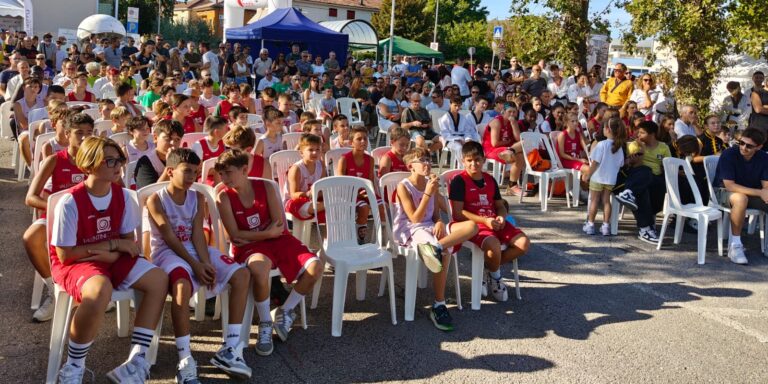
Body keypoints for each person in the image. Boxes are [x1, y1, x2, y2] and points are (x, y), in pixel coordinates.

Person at [51, 136, 168, 383]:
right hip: (77, 263)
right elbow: (66, 254)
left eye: (121, 160)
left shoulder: (124, 196)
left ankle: (136, 361)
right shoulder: (70, 201)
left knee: (158, 279)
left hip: (109, 257)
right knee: (99, 290)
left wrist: (112, 251)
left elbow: (129, 244)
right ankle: (73, 367)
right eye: (111, 160)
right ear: (90, 164)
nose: (118, 166)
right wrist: (111, 246)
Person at [146, 148, 251, 381]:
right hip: (167, 253)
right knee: (181, 288)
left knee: (241, 275)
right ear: (171, 171)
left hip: (194, 250)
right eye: (187, 171)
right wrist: (195, 264)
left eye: (195, 171)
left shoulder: (198, 197)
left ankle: (230, 347)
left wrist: (205, 263)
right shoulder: (156, 199)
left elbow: (196, 235)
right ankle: (184, 358)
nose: (192, 176)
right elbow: (169, 237)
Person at [215, 149, 324, 354]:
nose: (224, 178)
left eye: (228, 172)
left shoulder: (266, 186)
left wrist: (254, 234)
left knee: (316, 266)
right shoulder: (224, 197)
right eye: (221, 174)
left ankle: (285, 311)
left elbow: (279, 227)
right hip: (251, 247)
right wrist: (265, 234)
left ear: (244, 169)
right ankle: (265, 323)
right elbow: (234, 234)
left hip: (276, 240)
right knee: (259, 268)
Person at [393, 148, 478, 330]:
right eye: (421, 160)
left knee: (471, 226)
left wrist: (439, 222)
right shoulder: (403, 186)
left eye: (428, 159)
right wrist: (428, 193)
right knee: (444, 254)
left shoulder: (430, 183)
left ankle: (438, 246)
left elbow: (436, 215)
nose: (426, 163)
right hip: (412, 229)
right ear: (411, 166)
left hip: (430, 227)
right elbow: (415, 218)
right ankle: (439, 304)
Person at [22, 111, 90, 323]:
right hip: (55, 216)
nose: (85, 137)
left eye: (90, 132)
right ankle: (55, 291)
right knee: (31, 236)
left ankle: (92, 289)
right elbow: (31, 198)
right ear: (67, 134)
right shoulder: (54, 160)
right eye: (79, 132)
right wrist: (59, 208)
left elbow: (117, 190)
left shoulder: (96, 160)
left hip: (89, 220)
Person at [448, 141, 530, 302]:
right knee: (492, 245)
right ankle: (496, 276)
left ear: (484, 159)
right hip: (474, 224)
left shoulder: (490, 179)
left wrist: (501, 216)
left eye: (477, 159)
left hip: (494, 221)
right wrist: (484, 220)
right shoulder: (459, 181)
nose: (474, 164)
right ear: (463, 161)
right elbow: (458, 213)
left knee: (524, 243)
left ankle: (488, 267)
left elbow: (500, 205)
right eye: (469, 160)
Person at [713, 128, 768, 264]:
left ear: (759, 147)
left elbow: (766, 184)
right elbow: (730, 186)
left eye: (749, 146)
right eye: (741, 143)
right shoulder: (729, 154)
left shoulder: (764, 157)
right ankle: (735, 246)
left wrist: (765, 192)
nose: (743, 147)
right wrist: (761, 192)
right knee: (740, 198)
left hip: (751, 193)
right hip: (723, 192)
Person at [615, 120, 671, 243]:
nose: (638, 135)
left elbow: (668, 166)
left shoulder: (663, 147)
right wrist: (640, 152)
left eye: (642, 133)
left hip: (656, 180)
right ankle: (645, 229)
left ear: (652, 134)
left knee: (653, 181)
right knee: (645, 173)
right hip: (637, 176)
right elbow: (632, 167)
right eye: (638, 132)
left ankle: (630, 194)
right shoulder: (634, 145)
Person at [336, 126, 383, 243]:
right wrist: (359, 193)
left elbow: (371, 181)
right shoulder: (344, 159)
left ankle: (381, 238)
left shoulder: (370, 159)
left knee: (383, 206)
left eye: (365, 139)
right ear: (351, 142)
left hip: (365, 192)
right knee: (364, 207)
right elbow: (341, 183)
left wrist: (368, 192)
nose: (363, 141)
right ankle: (359, 238)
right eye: (359, 139)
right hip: (349, 194)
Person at [582, 117, 626, 236]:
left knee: (594, 200)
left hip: (598, 177)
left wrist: (587, 175)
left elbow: (595, 162)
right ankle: (606, 226)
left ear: (607, 129)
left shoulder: (601, 144)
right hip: (611, 179)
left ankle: (590, 224)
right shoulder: (619, 147)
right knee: (607, 201)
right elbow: (621, 163)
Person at [284, 133, 327, 224]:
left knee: (338, 201)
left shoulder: (321, 165)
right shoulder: (296, 169)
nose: (315, 153)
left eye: (317, 149)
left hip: (313, 200)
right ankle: (327, 205)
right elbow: (293, 194)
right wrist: (307, 194)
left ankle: (331, 236)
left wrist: (321, 194)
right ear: (301, 152)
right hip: (294, 202)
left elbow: (322, 189)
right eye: (310, 150)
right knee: (317, 206)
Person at [482, 104, 524, 195]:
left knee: (521, 150)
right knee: (519, 155)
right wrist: (507, 143)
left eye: (514, 112)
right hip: (492, 149)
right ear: (503, 112)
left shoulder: (514, 122)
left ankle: (512, 186)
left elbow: (518, 139)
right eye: (509, 112)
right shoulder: (496, 122)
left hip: (507, 149)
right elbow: (495, 143)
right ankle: (512, 186)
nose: (512, 114)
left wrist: (513, 124)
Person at [135, 120, 184, 189]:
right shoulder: (145, 162)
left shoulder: (184, 159)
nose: (172, 143)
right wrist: (170, 165)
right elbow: (149, 194)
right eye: (168, 138)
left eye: (177, 140)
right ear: (155, 138)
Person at [439, 95, 481, 163]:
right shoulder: (445, 118)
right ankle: (462, 167)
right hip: (450, 141)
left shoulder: (462, 117)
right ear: (450, 104)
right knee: (459, 148)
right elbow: (445, 134)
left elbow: (467, 131)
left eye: (459, 106)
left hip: (462, 139)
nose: (457, 108)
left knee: (474, 145)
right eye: (455, 105)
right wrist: (458, 139)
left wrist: (468, 139)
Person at [192, 116, 228, 185]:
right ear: (216, 132)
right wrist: (217, 170)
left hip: (220, 177)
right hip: (204, 180)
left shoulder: (222, 143)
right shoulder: (199, 145)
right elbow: (198, 171)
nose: (228, 131)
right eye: (226, 128)